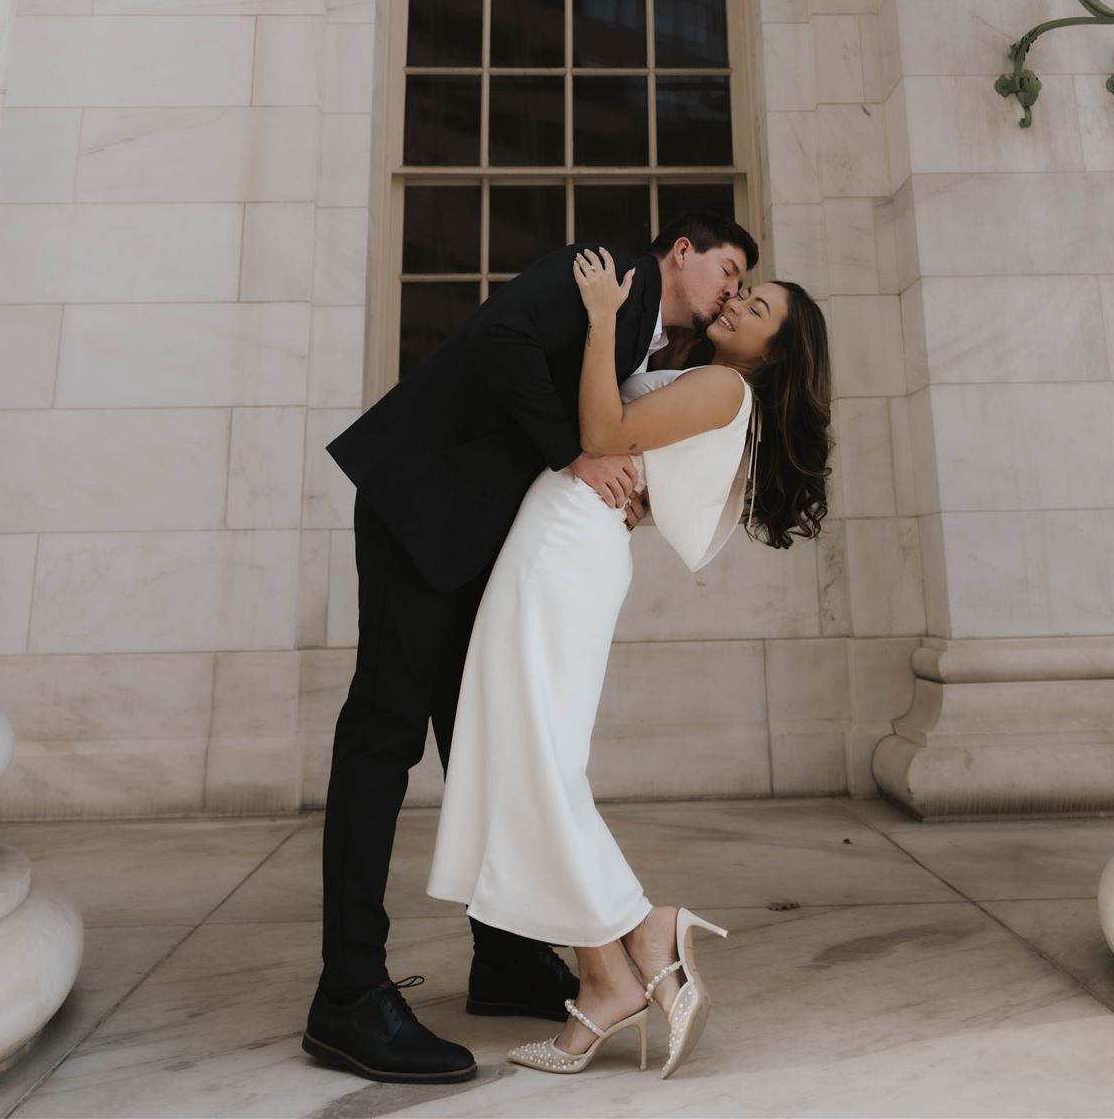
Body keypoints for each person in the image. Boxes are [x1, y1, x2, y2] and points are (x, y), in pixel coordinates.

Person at [303, 212, 757, 1087]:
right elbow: (499, 339)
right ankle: (347, 993)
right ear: (682, 252)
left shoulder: (645, 342)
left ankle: (506, 958)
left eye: (743, 287)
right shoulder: (611, 276)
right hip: (425, 508)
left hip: (479, 536)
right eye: (727, 269)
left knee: (483, 735)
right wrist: (577, 457)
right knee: (384, 736)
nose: (730, 291)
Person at [425, 246, 833, 1080]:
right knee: (526, 757)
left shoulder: (723, 387)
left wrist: (607, 317)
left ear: (776, 354)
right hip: (563, 537)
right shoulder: (703, 376)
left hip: (564, 545)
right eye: (743, 293)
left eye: (753, 312)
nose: (734, 306)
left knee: (536, 759)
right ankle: (612, 969)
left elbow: (601, 434)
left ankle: (636, 939)